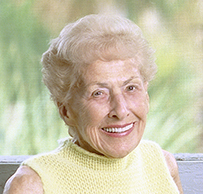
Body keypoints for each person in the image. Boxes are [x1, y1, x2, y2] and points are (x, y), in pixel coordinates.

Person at [3, 14, 183, 194]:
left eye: (130, 88)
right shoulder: (32, 186)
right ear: (66, 111)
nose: (120, 110)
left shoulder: (162, 165)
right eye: (99, 93)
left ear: (146, 96)